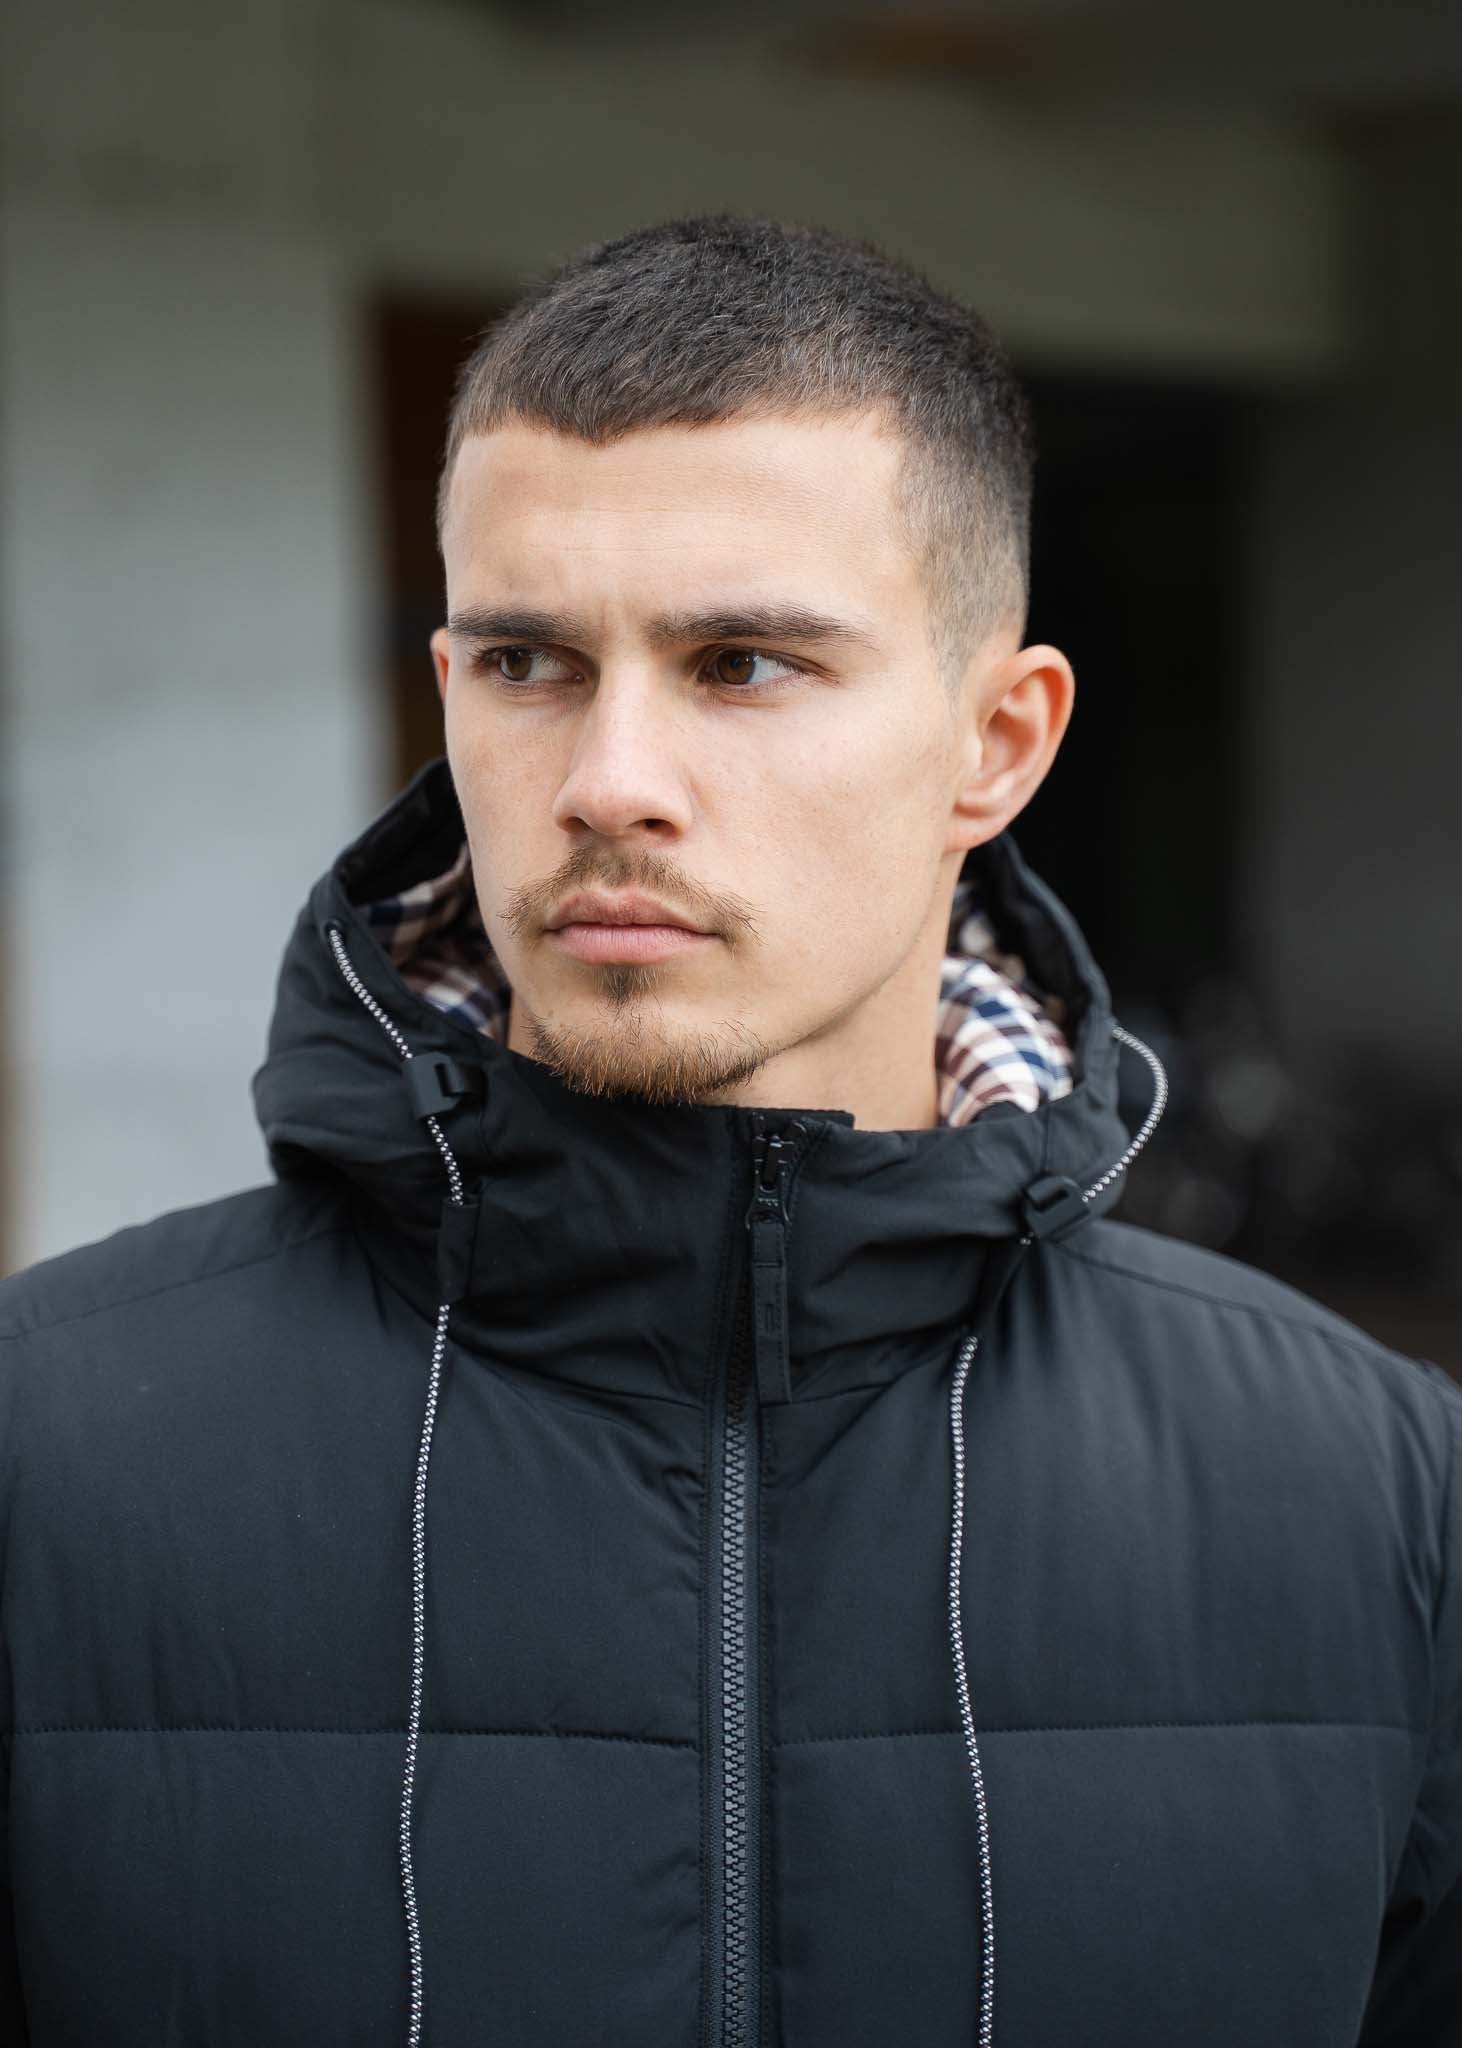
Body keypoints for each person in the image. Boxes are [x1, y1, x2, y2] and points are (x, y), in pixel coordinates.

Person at [1, 214, 1457, 2048]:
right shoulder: (43, 1447)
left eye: (743, 663)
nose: (607, 782)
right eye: (528, 663)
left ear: (996, 744)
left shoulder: (1379, 1497)